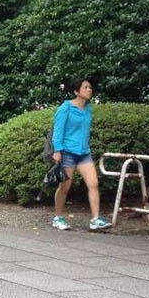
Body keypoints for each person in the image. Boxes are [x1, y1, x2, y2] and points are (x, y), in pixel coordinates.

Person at [51, 78, 111, 232]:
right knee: (65, 186)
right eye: (85, 87)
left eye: (90, 87)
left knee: (94, 184)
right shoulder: (66, 108)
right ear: (76, 91)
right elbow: (58, 131)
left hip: (84, 153)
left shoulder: (88, 109)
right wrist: (57, 151)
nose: (89, 89)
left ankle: (95, 219)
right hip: (68, 153)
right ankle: (57, 217)